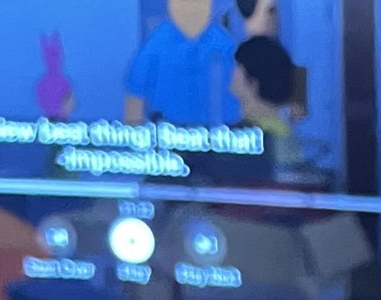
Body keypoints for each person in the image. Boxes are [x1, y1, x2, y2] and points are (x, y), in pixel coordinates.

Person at [124, 0, 237, 129]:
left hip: (218, 138)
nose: (191, 8)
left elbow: (247, 94)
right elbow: (135, 93)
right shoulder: (157, 42)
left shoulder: (224, 44)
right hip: (166, 135)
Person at [230, 33, 304, 178]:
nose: (232, 79)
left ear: (252, 81)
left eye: (237, 69)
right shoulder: (282, 131)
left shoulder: (269, 138)